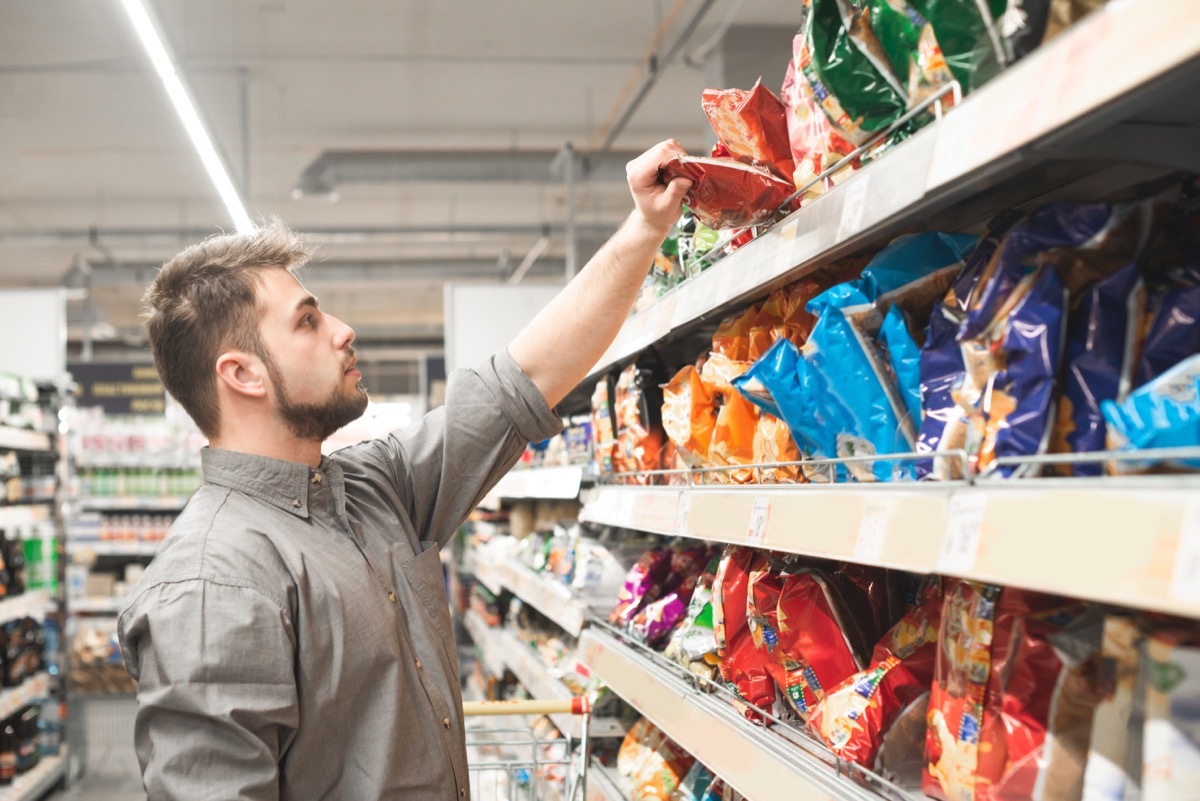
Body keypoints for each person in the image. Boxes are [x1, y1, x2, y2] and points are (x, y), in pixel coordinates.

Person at [116, 139, 692, 800]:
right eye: (307, 321)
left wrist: (645, 228)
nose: (342, 329)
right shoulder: (212, 582)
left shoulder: (373, 487)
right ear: (241, 374)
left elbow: (525, 378)